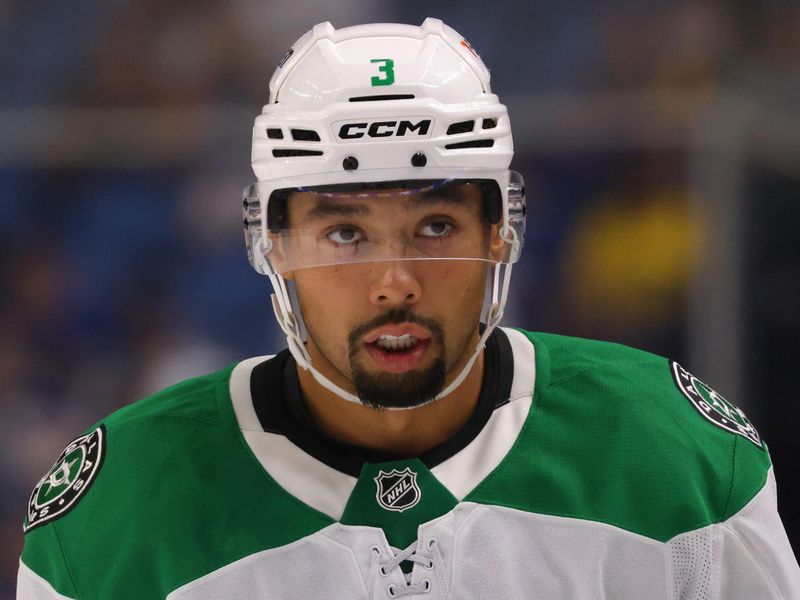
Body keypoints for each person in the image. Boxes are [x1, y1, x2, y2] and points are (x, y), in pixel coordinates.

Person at [17, 18, 800, 599]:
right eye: (346, 232)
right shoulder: (117, 512)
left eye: (434, 227)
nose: (395, 282)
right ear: (273, 245)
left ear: (500, 234)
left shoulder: (677, 458)